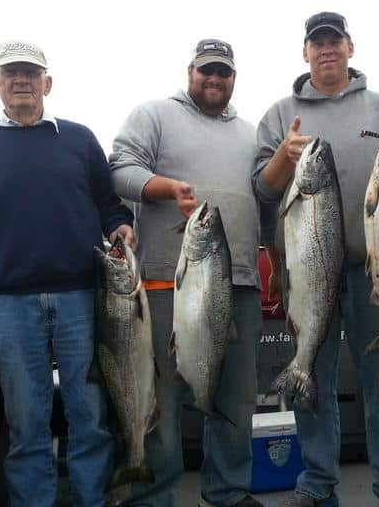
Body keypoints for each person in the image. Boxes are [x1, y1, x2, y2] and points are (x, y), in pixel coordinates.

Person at [0, 40, 135, 507]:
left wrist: (119, 224)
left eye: (31, 72)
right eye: (11, 74)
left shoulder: (80, 139)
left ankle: (92, 500)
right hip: (8, 306)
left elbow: (107, 203)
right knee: (27, 423)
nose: (21, 81)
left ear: (48, 83)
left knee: (90, 416)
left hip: (83, 300)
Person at [252, 12, 379, 507]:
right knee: (312, 384)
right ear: (304, 53)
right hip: (306, 273)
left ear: (351, 47)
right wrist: (285, 156)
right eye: (316, 43)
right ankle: (316, 483)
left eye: (334, 41)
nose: (326, 49)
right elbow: (260, 190)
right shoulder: (278, 114)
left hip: (377, 271)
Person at [108, 39, 265, 507]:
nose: (214, 80)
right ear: (190, 71)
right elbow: (118, 171)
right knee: (162, 403)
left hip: (239, 285)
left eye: (224, 72)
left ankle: (229, 492)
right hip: (164, 284)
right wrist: (164, 187)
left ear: (234, 78)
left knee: (236, 402)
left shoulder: (251, 134)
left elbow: (268, 199)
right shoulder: (154, 115)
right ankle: (154, 496)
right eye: (206, 71)